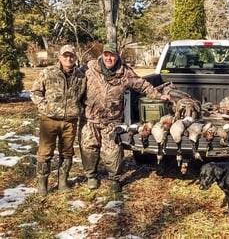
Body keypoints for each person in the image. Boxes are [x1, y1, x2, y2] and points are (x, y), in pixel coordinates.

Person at [79, 43, 170, 193]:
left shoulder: (125, 72)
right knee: (89, 148)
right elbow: (74, 81)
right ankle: (91, 176)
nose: (109, 58)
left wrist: (159, 95)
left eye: (112, 55)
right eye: (106, 54)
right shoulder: (89, 68)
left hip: (112, 120)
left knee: (113, 151)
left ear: (117, 56)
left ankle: (114, 179)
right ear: (102, 55)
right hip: (90, 119)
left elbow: (142, 85)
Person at [30, 45, 86, 196]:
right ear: (60, 57)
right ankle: (43, 185)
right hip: (49, 120)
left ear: (75, 58)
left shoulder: (81, 76)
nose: (69, 59)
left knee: (67, 152)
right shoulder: (48, 72)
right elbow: (35, 91)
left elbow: (83, 97)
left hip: (70, 121)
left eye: (71, 56)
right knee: (45, 153)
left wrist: (78, 108)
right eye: (65, 56)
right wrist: (44, 107)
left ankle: (62, 182)